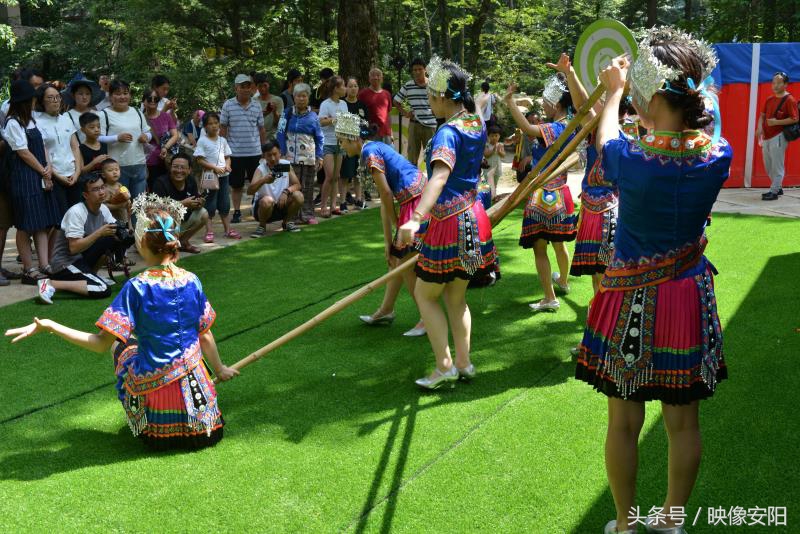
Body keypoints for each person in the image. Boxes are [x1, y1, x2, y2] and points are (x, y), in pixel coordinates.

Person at [574, 28, 732, 534]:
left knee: (624, 422)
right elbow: (674, 136)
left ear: (652, 92)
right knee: (683, 422)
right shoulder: (717, 154)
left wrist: (614, 91)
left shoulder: (630, 158)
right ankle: (671, 521)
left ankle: (624, 524)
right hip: (688, 295)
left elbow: (604, 145)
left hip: (634, 302)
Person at [6, 193, 238, 449]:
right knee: (155, 344)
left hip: (159, 425)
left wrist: (51, 325)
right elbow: (204, 333)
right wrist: (220, 369)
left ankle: (145, 415)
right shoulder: (191, 280)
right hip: (204, 422)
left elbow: (99, 344)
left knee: (120, 346)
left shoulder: (137, 287)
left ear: (141, 243)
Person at [397, 57, 497, 389]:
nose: (427, 101)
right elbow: (479, 105)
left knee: (426, 296)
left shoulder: (446, 133)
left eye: (430, 95)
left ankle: (444, 366)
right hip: (474, 218)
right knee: (456, 298)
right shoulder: (475, 123)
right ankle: (464, 363)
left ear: (442, 96)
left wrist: (415, 219)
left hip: (449, 224)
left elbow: (438, 178)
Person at [337, 111, 426, 336]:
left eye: (342, 141)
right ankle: (386, 310)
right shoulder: (372, 148)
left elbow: (386, 194)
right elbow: (384, 203)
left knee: (405, 259)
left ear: (353, 138)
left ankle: (426, 318)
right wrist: (388, 241)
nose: (341, 146)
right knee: (396, 258)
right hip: (414, 195)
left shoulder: (368, 151)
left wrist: (397, 225)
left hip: (414, 198)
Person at [503, 72, 577, 312]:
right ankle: (563, 282)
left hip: (543, 193)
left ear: (555, 104)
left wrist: (510, 102)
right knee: (559, 243)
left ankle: (549, 297)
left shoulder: (555, 128)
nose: (543, 105)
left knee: (540, 247)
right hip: (562, 192)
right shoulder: (572, 125)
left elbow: (526, 127)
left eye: (545, 102)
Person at [37, 174, 134, 303]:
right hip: (65, 263)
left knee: (111, 239)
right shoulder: (76, 212)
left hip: (82, 259)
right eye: (95, 189)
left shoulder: (103, 208)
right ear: (85, 195)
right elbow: (73, 248)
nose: (101, 192)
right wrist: (99, 233)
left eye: (102, 187)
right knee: (102, 289)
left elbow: (118, 233)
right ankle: (49, 283)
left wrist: (127, 229)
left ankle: (92, 275)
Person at [4, 80, 62, 285]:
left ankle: (45, 265)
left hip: (40, 174)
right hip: (24, 178)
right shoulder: (13, 122)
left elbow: (43, 145)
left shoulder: (32, 120)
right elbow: (22, 152)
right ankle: (29, 269)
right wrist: (43, 171)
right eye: (31, 100)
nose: (34, 103)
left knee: (42, 223)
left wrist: (48, 167)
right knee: (25, 225)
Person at [220, 74, 266, 224]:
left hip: (255, 152)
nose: (246, 89)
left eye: (248, 86)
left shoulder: (257, 105)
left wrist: (264, 150)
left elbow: (261, 129)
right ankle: (237, 212)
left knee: (257, 183)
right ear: (236, 88)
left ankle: (256, 208)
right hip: (235, 153)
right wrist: (223, 151)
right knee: (237, 185)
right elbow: (223, 128)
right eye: (242, 86)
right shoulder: (228, 105)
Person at [277, 82, 323, 225]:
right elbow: (280, 133)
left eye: (304, 96)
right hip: (290, 158)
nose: (301, 99)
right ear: (294, 97)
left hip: (309, 158)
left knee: (308, 186)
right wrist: (282, 153)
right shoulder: (287, 113)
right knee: (292, 186)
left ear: (308, 97)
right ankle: (292, 215)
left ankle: (308, 215)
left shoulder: (313, 116)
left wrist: (319, 156)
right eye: (298, 96)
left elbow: (320, 137)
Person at [99, 79, 151, 201]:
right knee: (120, 203)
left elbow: (148, 133)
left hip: (139, 163)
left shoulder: (137, 112)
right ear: (111, 96)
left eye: (125, 93)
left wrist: (146, 137)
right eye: (118, 93)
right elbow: (98, 137)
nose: (122, 96)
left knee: (138, 204)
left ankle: (138, 221)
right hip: (116, 168)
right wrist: (117, 137)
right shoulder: (104, 114)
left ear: (130, 95)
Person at [35, 84, 83, 209]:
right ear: (42, 101)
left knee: (77, 214)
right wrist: (57, 176)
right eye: (50, 97)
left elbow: (75, 147)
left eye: (58, 97)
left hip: (73, 174)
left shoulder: (66, 119)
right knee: (60, 219)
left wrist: (77, 172)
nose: (55, 101)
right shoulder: (37, 123)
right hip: (54, 176)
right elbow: (42, 151)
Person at [193, 111, 238, 242]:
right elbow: (199, 160)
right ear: (205, 126)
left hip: (224, 177)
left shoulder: (222, 140)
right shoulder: (202, 141)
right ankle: (209, 231)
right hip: (210, 178)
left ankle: (228, 229)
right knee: (210, 204)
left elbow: (227, 156)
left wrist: (228, 165)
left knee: (224, 203)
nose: (214, 126)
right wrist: (215, 168)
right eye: (210, 123)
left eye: (216, 123)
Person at [152, 153, 208, 253]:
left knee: (203, 213)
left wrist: (199, 203)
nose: (179, 170)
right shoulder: (160, 183)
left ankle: (183, 243)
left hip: (179, 222)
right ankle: (156, 244)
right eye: (175, 167)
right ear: (170, 167)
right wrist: (182, 203)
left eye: (183, 167)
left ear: (189, 170)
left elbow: (194, 202)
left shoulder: (190, 180)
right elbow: (156, 211)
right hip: (161, 226)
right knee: (159, 250)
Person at [756, 71, 798, 201]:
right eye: (774, 82)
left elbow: (795, 119)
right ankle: (777, 186)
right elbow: (762, 115)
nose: (775, 85)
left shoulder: (789, 99)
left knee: (777, 165)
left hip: (779, 136)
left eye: (779, 82)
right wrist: (759, 128)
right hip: (767, 136)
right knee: (768, 164)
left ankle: (774, 192)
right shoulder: (769, 99)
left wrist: (776, 122)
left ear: (785, 84)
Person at [247, 141, 304, 237]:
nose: (272, 158)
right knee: (267, 200)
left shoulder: (286, 165)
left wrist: (286, 192)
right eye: (269, 155)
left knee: (299, 196)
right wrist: (263, 180)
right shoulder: (260, 169)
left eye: (275, 154)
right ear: (264, 156)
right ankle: (262, 226)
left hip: (281, 204)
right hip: (263, 208)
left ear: (280, 153)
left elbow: (297, 185)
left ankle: (287, 223)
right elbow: (249, 191)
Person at [393, 58, 437, 166]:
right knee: (412, 156)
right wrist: (405, 113)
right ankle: (413, 182)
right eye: (415, 70)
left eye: (420, 69)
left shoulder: (433, 85)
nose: (417, 72)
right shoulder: (408, 85)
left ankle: (431, 181)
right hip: (414, 125)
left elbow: (441, 101)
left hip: (431, 126)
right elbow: (396, 101)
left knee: (432, 156)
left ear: (425, 70)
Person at [318, 76, 349, 217]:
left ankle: (333, 206)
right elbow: (321, 122)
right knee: (329, 176)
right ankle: (323, 207)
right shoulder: (326, 104)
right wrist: (335, 120)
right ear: (336, 88)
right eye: (343, 86)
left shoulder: (344, 104)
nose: (346, 88)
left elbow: (346, 123)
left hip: (340, 143)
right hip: (328, 143)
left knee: (336, 176)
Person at [143, 89, 180, 189]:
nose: (153, 100)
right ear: (144, 101)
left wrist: (165, 147)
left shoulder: (166, 116)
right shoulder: (140, 118)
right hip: (147, 163)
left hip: (165, 161)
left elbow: (175, 135)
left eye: (156, 98)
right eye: (150, 98)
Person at [343, 77, 369, 209]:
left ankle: (359, 200)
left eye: (355, 86)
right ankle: (343, 201)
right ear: (345, 88)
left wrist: (362, 137)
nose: (353, 88)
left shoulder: (362, 105)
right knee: (346, 174)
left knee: (359, 173)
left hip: (360, 144)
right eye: (350, 86)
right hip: (346, 144)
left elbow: (366, 125)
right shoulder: (342, 104)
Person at [358, 68, 393, 145]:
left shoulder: (387, 94)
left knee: (386, 156)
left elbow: (388, 114)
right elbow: (359, 114)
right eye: (373, 75)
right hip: (371, 133)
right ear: (369, 78)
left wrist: (391, 133)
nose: (376, 77)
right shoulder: (363, 94)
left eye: (378, 75)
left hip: (386, 133)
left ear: (382, 78)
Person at [64, 78, 103, 143]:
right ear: (73, 96)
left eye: (87, 94)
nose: (84, 97)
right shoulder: (67, 116)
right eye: (80, 94)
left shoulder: (98, 114)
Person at [254, 73, 283, 141]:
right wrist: (262, 114)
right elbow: (250, 122)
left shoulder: (277, 100)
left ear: (268, 85)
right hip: (257, 137)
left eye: (265, 85)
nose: (263, 88)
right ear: (256, 87)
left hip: (272, 138)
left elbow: (281, 124)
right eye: (260, 86)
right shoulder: (253, 101)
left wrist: (274, 111)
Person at [481, 124, 504, 207]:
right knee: (489, 184)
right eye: (492, 136)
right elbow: (486, 155)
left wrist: (500, 151)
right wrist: (493, 150)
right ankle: (488, 199)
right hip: (489, 168)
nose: (494, 137)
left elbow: (503, 155)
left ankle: (493, 198)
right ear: (488, 136)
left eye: (496, 135)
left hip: (497, 167)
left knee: (495, 183)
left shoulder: (500, 145)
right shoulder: (486, 145)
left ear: (499, 136)